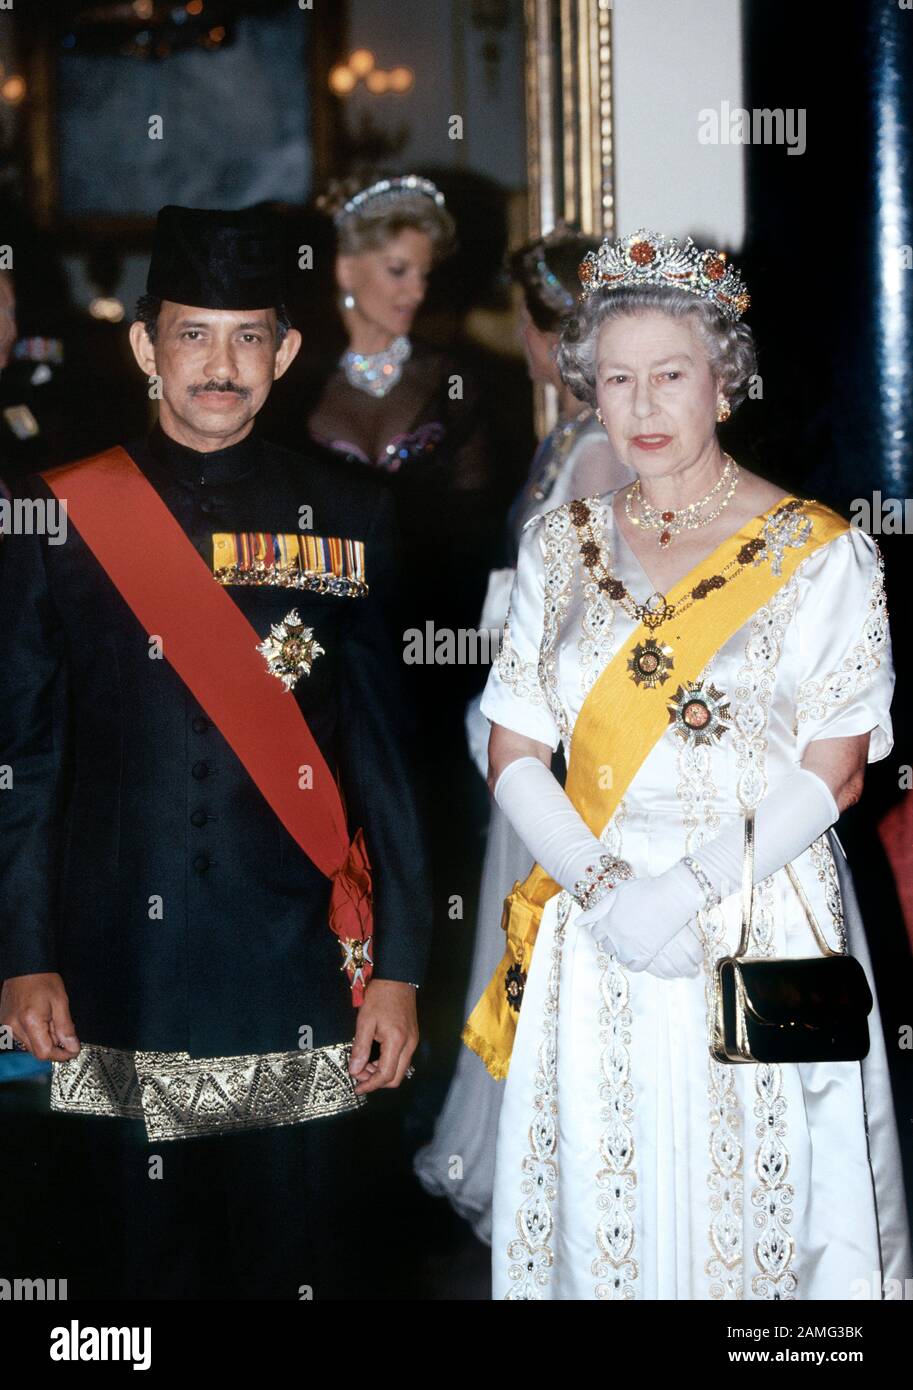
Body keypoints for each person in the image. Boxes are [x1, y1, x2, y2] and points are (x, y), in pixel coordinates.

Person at [467, 228, 912, 1299]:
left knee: (772, 1225)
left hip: (760, 903)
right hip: (600, 917)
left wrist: (684, 893)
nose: (643, 405)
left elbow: (836, 770)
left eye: (670, 375)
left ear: (724, 382)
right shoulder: (559, 544)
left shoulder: (818, 549)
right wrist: (610, 890)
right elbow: (513, 742)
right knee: (606, 1211)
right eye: (615, 380)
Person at [0, 205, 431, 1300]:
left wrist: (403, 970)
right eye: (193, 335)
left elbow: (387, 766)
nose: (221, 365)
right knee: (128, 1273)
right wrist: (21, 951)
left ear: (287, 353)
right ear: (145, 346)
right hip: (113, 975)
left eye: (248, 337)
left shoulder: (355, 514)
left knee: (298, 1260)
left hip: (295, 966)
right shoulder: (59, 513)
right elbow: (27, 757)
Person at [414, 227, 634, 1239]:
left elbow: (592, 613)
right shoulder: (565, 438)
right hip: (528, 715)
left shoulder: (595, 447)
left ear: (551, 334)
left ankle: (567, 1168)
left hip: (562, 736)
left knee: (543, 934)